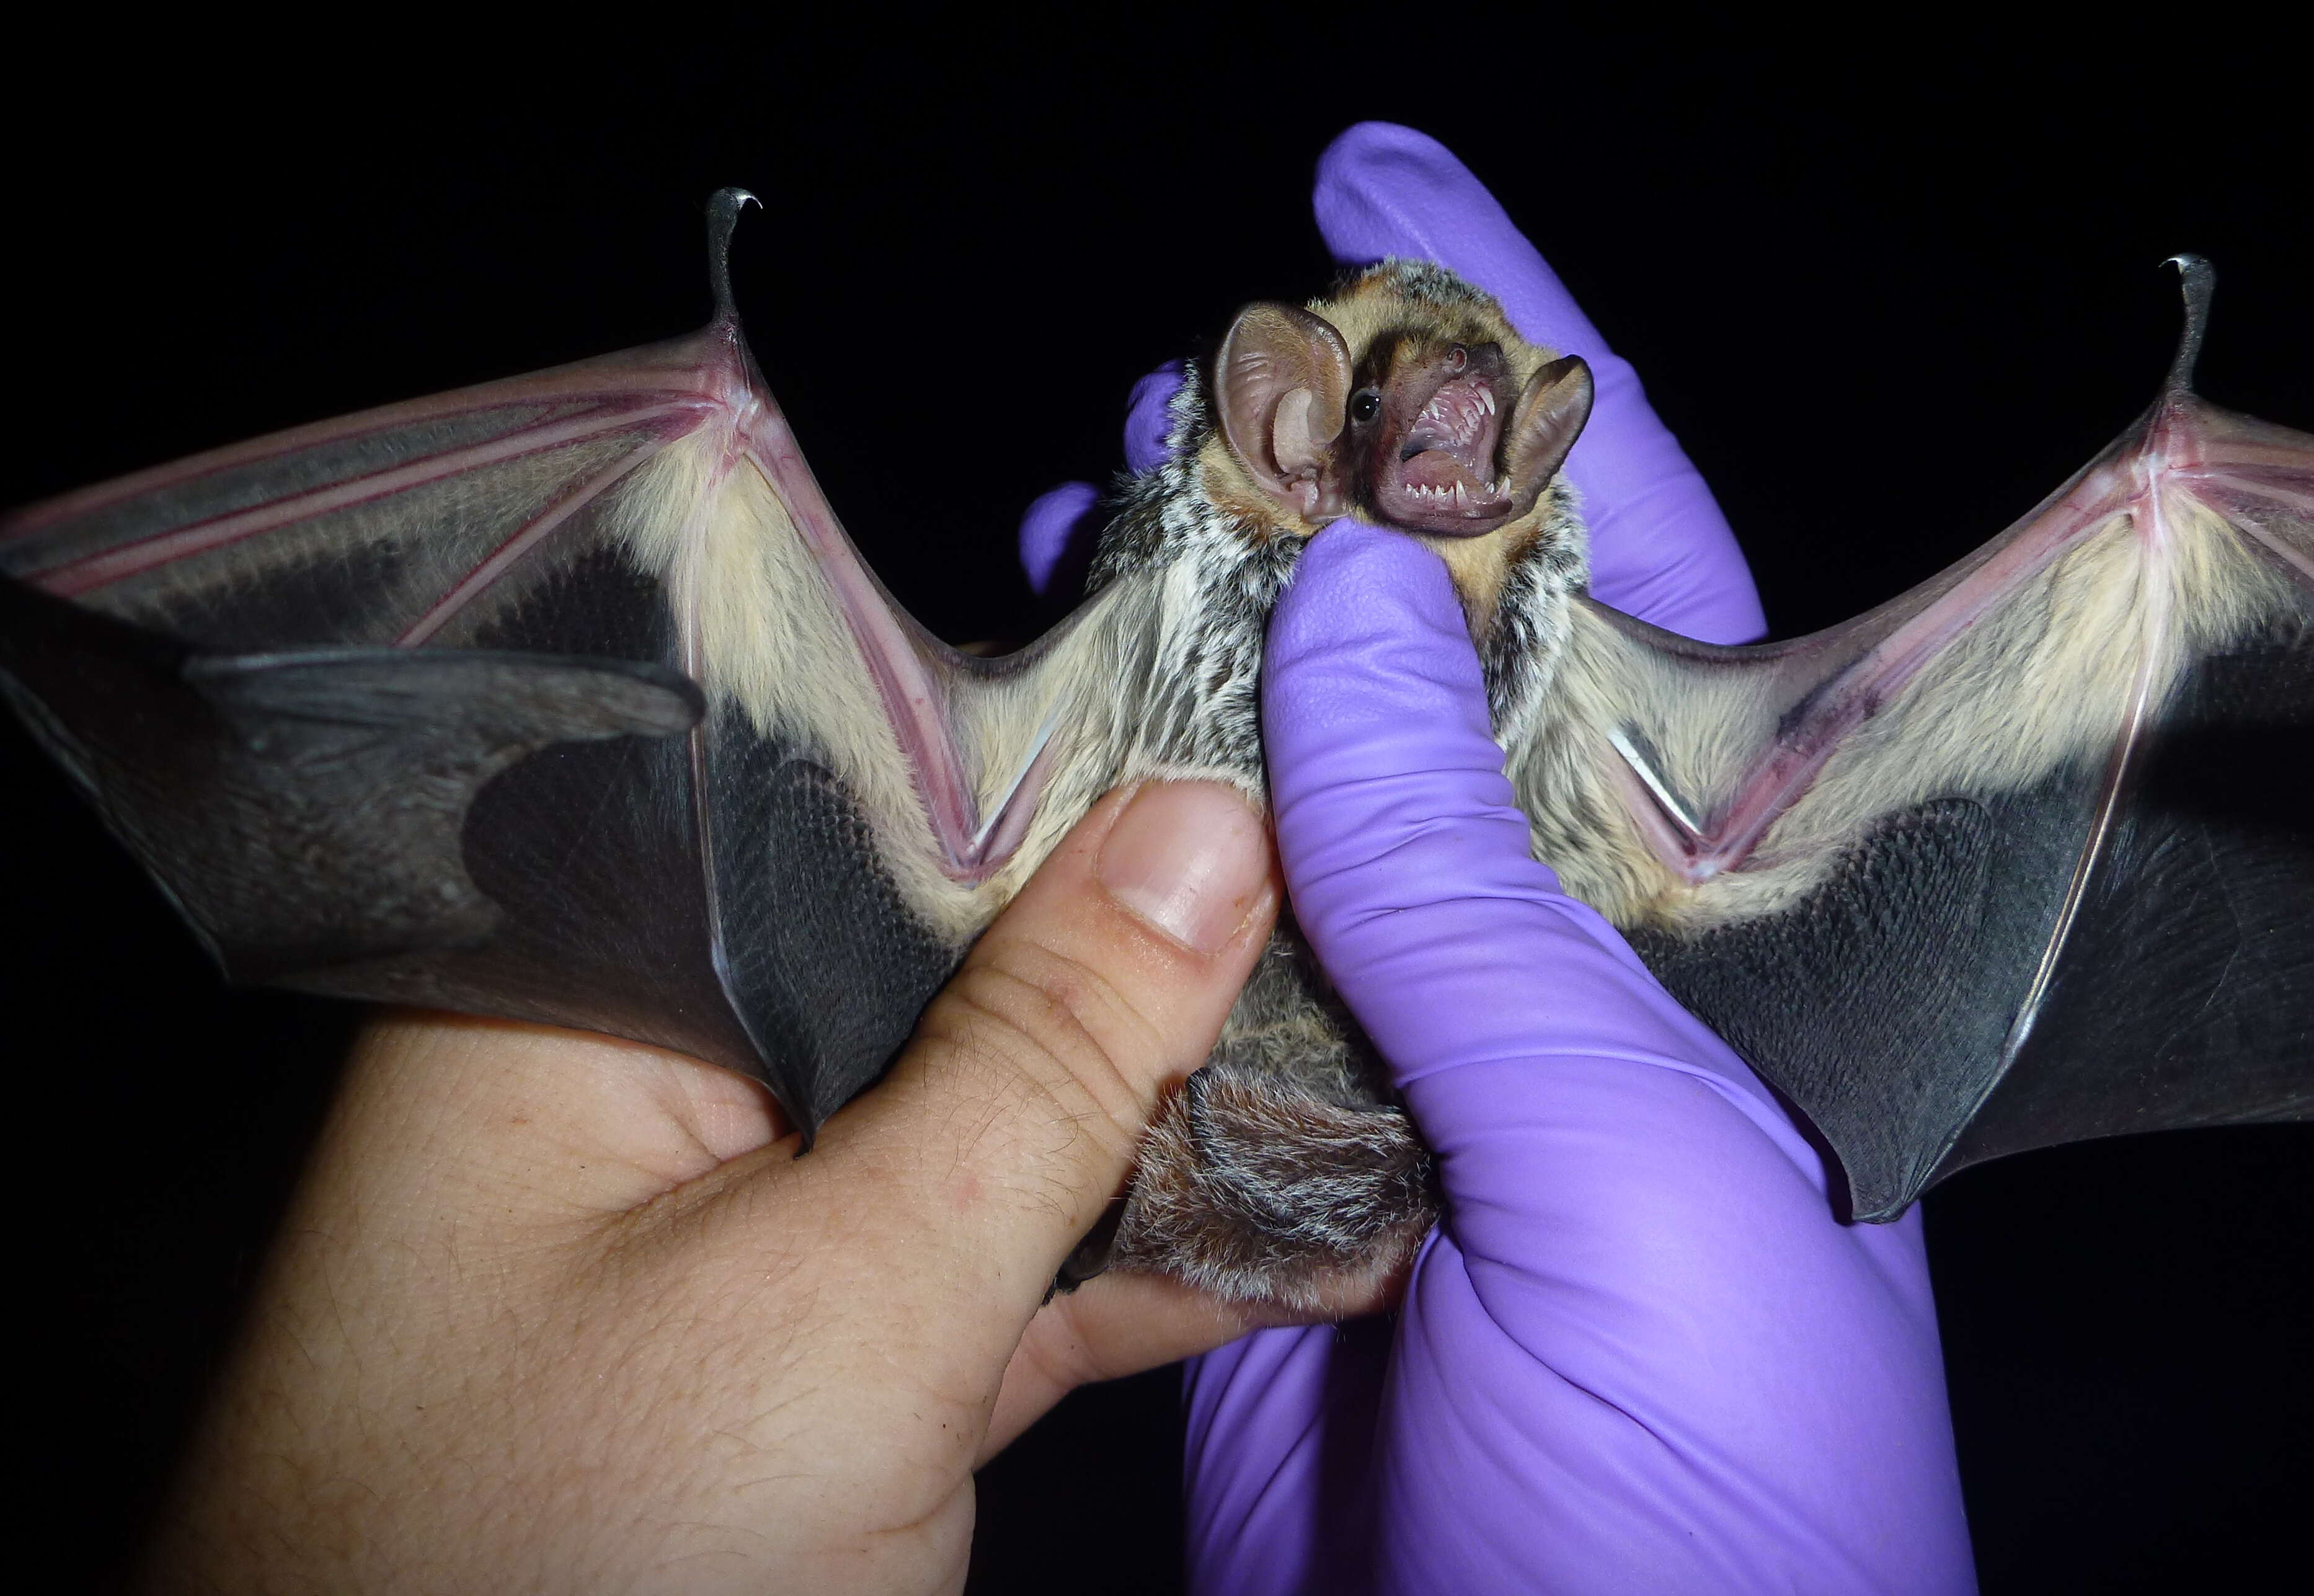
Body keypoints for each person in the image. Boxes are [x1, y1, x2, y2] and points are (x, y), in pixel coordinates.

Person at [142, 126, 1974, 1594]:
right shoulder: (1240, 516)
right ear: (1281, 418)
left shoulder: (1579, 643)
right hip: (1172, 1157)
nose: (1447, 451)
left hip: (1372, 1184)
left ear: (1541, 450)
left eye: (1488, 433)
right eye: (1398, 419)